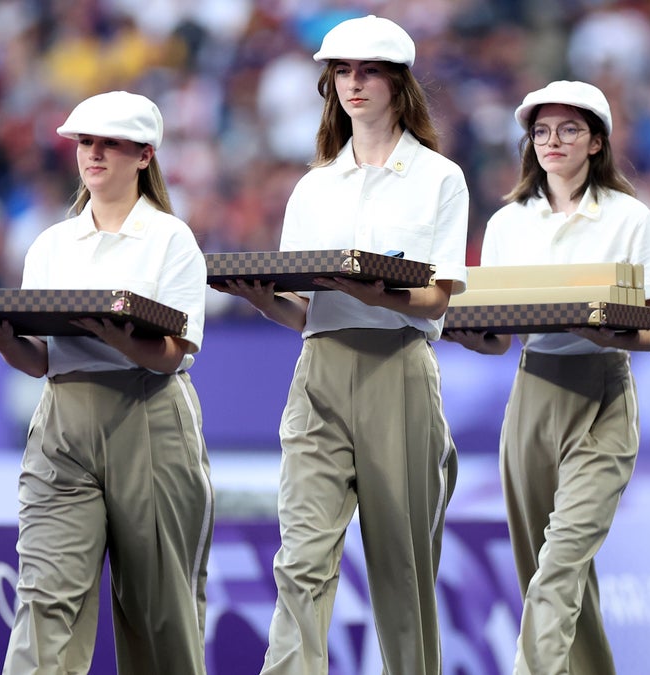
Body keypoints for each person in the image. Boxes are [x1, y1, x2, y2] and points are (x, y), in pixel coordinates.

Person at [212, 15, 468, 675]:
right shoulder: (313, 187)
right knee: (300, 558)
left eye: (368, 71)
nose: (353, 83)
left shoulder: (439, 178)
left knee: (402, 569)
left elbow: (438, 296)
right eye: (343, 72)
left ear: (398, 82)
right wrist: (262, 297)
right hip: (319, 370)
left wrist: (373, 292)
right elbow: (308, 312)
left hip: (400, 371)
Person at [0, 90, 212, 675]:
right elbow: (42, 359)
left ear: (144, 156)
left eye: (109, 143)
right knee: (44, 598)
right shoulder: (51, 244)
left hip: (148, 417)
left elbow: (174, 352)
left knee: (159, 614)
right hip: (62, 421)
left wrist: (120, 337)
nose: (93, 153)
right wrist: (0, 337)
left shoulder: (171, 239)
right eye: (85, 142)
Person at [446, 80, 650, 674]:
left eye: (569, 129)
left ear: (596, 141)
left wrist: (600, 329)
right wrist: (458, 330)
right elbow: (497, 338)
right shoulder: (508, 223)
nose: (553, 141)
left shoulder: (630, 218)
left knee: (563, 560)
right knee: (547, 571)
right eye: (542, 131)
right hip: (531, 393)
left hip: (603, 395)